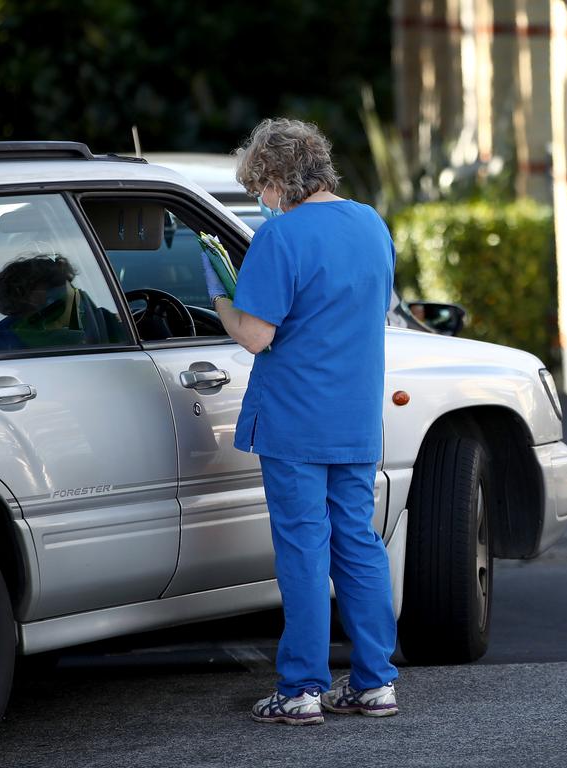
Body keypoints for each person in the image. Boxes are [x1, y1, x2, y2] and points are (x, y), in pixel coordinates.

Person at [201, 118, 399, 725]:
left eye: (260, 186)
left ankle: (301, 689)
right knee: (360, 543)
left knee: (304, 550)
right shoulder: (371, 223)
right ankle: (374, 682)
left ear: (279, 178)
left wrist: (218, 295)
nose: (260, 199)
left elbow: (256, 336)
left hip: (293, 420)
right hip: (356, 416)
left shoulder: (280, 237)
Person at [0, 254, 123, 351]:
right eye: (53, 285)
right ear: (24, 296)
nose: (68, 292)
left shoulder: (1, 335)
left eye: (63, 284)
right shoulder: (3, 335)